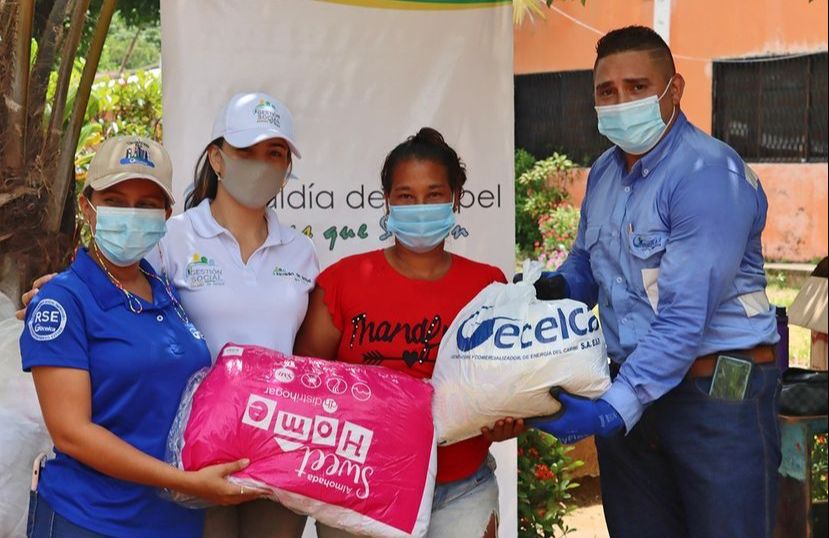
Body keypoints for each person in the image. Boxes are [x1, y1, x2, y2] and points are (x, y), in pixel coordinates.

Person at [19, 92, 318, 538]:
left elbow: (309, 358)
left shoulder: (167, 293)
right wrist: (58, 292)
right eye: (115, 200)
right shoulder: (168, 245)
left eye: (274, 152)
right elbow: (72, 431)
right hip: (123, 503)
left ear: (164, 211)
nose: (131, 217)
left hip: (209, 489)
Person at [530, 26, 781, 538]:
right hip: (633, 391)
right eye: (607, 91)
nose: (621, 102)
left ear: (674, 89)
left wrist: (612, 410)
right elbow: (588, 264)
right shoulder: (604, 173)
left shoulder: (707, 175)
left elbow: (685, 318)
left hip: (715, 398)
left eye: (638, 87)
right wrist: (559, 289)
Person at [295, 127, 524, 538]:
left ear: (456, 198)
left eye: (434, 195)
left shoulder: (488, 287)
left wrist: (509, 417)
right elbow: (305, 386)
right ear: (387, 201)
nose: (420, 207)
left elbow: (505, 384)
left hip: (460, 489)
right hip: (358, 488)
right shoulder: (342, 282)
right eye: (406, 196)